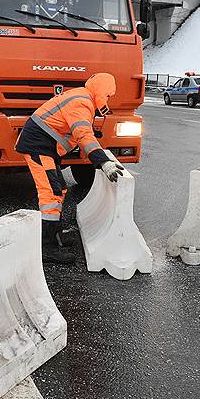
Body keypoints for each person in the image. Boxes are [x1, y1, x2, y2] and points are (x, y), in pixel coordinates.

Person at [16, 72, 125, 264]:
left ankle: (54, 239)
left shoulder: (83, 98)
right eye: (108, 95)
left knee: (59, 190)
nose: (108, 100)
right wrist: (103, 162)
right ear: (101, 91)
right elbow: (83, 134)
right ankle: (47, 249)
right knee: (50, 193)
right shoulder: (81, 102)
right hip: (38, 146)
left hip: (45, 147)